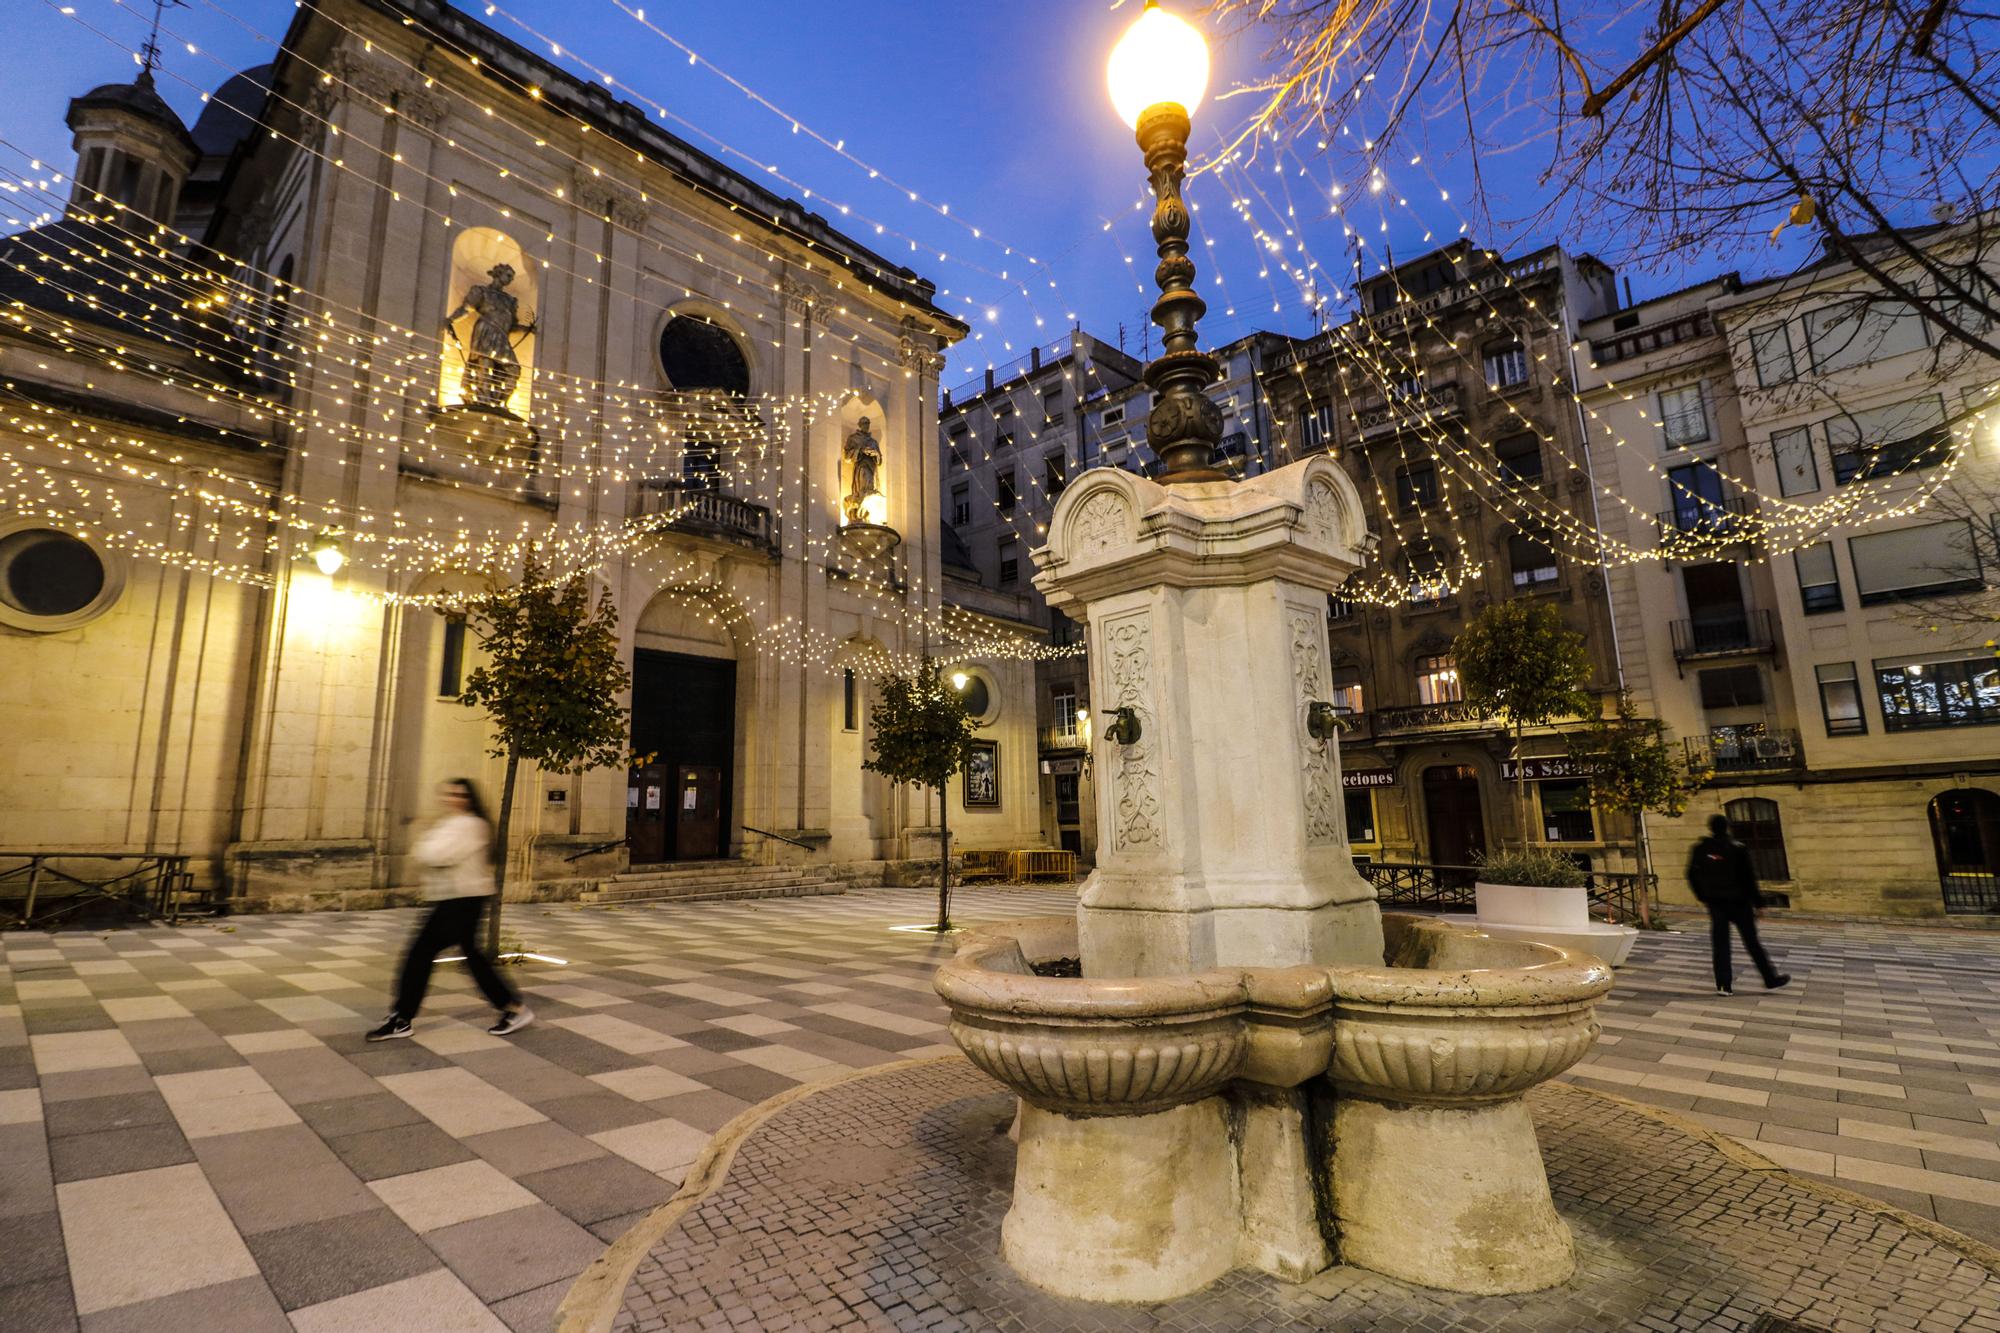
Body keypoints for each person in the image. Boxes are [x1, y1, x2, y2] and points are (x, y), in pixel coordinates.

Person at [368, 779, 534, 1040]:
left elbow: (437, 854)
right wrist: (426, 847)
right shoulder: (455, 823)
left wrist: (426, 846)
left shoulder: (470, 825)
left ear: (470, 798)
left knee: (420, 955)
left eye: (460, 794)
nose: (454, 798)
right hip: (454, 899)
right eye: (451, 793)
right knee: (469, 958)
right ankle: (513, 1007)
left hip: (463, 900)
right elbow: (427, 851)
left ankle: (403, 1016)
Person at [1687, 813, 1791, 997]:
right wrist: (1759, 903)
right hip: (1739, 902)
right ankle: (1770, 978)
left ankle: (1723, 985)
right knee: (1752, 942)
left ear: (1711, 828)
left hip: (1716, 903)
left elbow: (1691, 874)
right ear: (1727, 827)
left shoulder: (1701, 849)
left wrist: (1703, 896)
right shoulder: (1738, 848)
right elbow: (1749, 878)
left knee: (1720, 944)